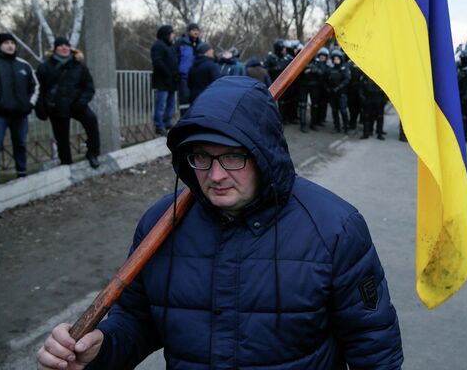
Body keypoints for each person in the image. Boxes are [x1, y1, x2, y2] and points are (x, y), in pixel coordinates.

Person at [36, 76, 403, 369]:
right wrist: (100, 348)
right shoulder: (160, 224)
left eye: (232, 157)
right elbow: (137, 319)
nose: (215, 176)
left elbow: (373, 345)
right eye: (201, 157)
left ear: (265, 155)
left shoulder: (335, 228)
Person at [36, 37, 100, 168]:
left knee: (91, 121)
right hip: (56, 106)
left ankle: (92, 153)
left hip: (77, 104)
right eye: (60, 45)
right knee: (61, 137)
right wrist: (40, 108)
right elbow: (39, 89)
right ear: (55, 49)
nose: (64, 48)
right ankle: (66, 163)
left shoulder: (79, 67)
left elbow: (89, 87)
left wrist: (82, 102)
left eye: (66, 45)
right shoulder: (45, 67)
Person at [0, 33, 37, 184]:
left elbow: (35, 86)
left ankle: (21, 173)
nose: (10, 45)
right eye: (6, 43)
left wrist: (30, 104)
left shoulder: (24, 65)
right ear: (0, 45)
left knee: (20, 144)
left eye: (12, 43)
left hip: (20, 114)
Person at [150, 25, 178, 136]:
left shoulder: (171, 46)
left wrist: (175, 74)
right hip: (162, 80)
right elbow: (157, 62)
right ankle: (159, 125)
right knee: (161, 104)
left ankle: (167, 123)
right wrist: (168, 74)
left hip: (171, 81)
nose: (173, 35)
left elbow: (174, 61)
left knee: (171, 104)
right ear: (166, 34)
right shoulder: (158, 45)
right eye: (172, 33)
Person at [176, 23, 202, 114]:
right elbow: (175, 58)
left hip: (196, 76)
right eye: (194, 30)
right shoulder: (180, 43)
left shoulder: (200, 44)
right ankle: (183, 118)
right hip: (184, 76)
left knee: (196, 97)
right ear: (189, 31)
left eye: (197, 30)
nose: (196, 32)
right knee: (184, 98)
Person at [326, 49, 351, 134]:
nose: (336, 60)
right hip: (333, 94)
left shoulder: (344, 68)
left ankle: (346, 127)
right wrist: (328, 88)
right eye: (334, 59)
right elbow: (326, 80)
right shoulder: (331, 69)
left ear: (340, 59)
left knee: (343, 110)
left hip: (341, 94)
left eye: (337, 59)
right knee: (334, 111)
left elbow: (347, 79)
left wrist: (339, 87)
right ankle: (337, 126)